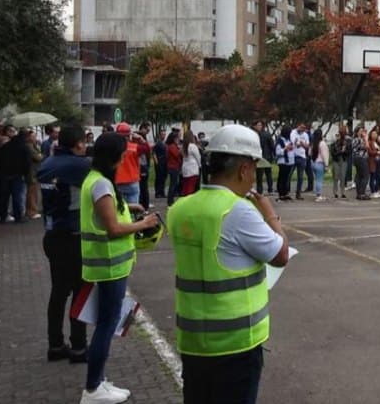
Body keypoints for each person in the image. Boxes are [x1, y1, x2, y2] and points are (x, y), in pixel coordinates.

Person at [168, 124, 289, 404]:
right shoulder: (237, 210)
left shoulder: (180, 208)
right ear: (244, 169)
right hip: (235, 344)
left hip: (193, 340)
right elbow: (280, 254)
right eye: (255, 169)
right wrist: (271, 216)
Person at [79, 133, 160, 404]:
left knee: (106, 322)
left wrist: (129, 207)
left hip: (111, 266)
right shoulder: (100, 184)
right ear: (113, 155)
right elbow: (113, 229)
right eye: (123, 152)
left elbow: (110, 216)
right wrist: (143, 224)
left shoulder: (97, 180)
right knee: (106, 325)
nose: (126, 155)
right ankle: (92, 388)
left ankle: (98, 380)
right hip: (109, 266)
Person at [38, 125, 92, 364]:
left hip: (51, 233)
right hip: (73, 235)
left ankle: (55, 344)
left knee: (58, 292)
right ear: (78, 144)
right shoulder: (79, 166)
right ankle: (79, 346)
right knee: (80, 292)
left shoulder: (47, 163)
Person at [0, 126, 30, 223]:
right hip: (18, 175)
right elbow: (27, 163)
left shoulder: (5, 147)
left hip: (5, 174)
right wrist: (25, 173)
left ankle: (3, 215)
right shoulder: (24, 147)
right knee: (17, 196)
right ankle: (18, 216)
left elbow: (0, 160)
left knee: (4, 196)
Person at [253, 121, 276, 196]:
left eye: (260, 125)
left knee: (267, 174)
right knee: (261, 174)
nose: (259, 126)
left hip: (265, 156)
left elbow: (272, 145)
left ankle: (268, 189)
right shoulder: (257, 134)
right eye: (258, 125)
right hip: (261, 156)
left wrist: (273, 154)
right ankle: (261, 190)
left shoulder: (262, 134)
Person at [331, 124, 351, 199]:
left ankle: (342, 192)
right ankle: (335, 192)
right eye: (341, 131)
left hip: (343, 160)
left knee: (343, 177)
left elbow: (349, 151)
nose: (342, 133)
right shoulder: (335, 140)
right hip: (336, 160)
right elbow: (332, 151)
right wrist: (340, 151)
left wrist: (344, 151)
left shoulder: (347, 141)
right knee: (336, 177)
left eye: (344, 132)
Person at [351, 125, 371, 201]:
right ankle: (362, 193)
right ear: (358, 132)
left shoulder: (355, 139)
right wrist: (366, 138)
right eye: (361, 131)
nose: (363, 132)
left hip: (357, 158)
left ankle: (359, 193)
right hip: (361, 158)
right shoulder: (358, 140)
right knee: (365, 175)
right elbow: (367, 147)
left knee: (359, 175)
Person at [182, 130, 203, 197]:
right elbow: (198, 157)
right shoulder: (192, 146)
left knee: (186, 187)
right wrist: (200, 165)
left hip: (185, 168)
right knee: (191, 188)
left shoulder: (184, 146)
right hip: (192, 169)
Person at [292, 123, 310, 197]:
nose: (302, 129)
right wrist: (298, 143)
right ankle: (285, 191)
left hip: (302, 157)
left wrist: (302, 144)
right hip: (293, 156)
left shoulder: (305, 135)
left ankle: (298, 193)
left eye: (303, 128)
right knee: (289, 175)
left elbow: (307, 146)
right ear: (298, 126)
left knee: (300, 176)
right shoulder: (293, 132)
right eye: (301, 128)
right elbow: (293, 143)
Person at [310, 129, 328, 202]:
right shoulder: (322, 143)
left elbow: (309, 153)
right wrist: (326, 165)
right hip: (320, 163)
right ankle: (319, 195)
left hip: (313, 163)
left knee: (317, 179)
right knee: (319, 180)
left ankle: (318, 194)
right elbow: (324, 155)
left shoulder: (313, 143)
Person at [166, 131, 183, 205]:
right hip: (173, 167)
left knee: (174, 183)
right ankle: (170, 200)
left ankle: (171, 199)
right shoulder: (172, 146)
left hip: (175, 166)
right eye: (177, 138)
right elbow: (176, 154)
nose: (178, 140)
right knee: (173, 184)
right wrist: (180, 149)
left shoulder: (174, 146)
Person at [367, 129, 380, 198]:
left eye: (376, 134)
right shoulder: (370, 142)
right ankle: (372, 191)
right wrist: (376, 152)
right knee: (373, 176)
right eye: (373, 134)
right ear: (370, 135)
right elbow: (369, 152)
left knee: (378, 176)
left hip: (379, 161)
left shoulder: (377, 142)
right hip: (372, 161)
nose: (375, 135)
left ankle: (377, 190)